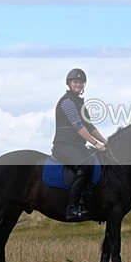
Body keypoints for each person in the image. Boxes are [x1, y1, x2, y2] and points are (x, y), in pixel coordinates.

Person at [52, 68, 107, 221]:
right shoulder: (67, 102)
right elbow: (78, 126)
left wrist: (106, 142)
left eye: (81, 82)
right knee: (84, 167)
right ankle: (71, 208)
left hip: (77, 146)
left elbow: (90, 127)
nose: (78, 84)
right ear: (69, 83)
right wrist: (95, 143)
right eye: (75, 81)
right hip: (64, 145)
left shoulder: (80, 103)